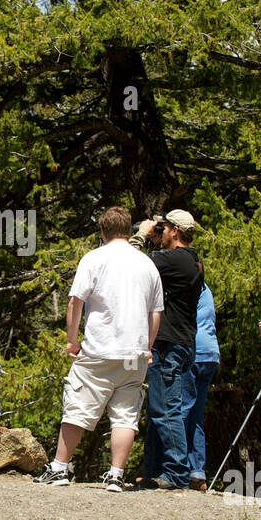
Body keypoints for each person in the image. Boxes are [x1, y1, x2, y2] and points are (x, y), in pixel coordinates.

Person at [33, 206, 163, 492]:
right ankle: (116, 475)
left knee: (78, 406)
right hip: (135, 353)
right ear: (129, 230)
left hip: (101, 348)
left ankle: (59, 468)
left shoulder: (94, 258)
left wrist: (71, 340)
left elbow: (75, 301)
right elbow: (156, 312)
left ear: (102, 231)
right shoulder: (147, 264)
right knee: (126, 415)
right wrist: (149, 346)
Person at [134, 211, 203, 490]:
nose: (158, 232)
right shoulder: (192, 260)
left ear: (174, 231)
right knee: (164, 407)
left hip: (169, 345)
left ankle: (176, 472)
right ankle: (168, 469)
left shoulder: (177, 258)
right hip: (182, 342)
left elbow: (129, 262)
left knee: (166, 409)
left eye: (163, 229)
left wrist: (141, 234)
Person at [187, 281, 220, 491]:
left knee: (178, 411)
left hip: (192, 350)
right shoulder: (204, 287)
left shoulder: (187, 283)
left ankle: (176, 470)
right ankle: (197, 472)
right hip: (210, 352)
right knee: (196, 414)